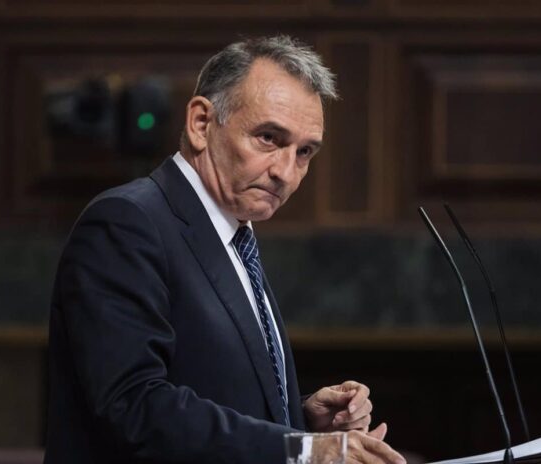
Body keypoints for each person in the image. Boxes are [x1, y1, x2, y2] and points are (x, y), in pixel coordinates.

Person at [44, 35, 406, 464]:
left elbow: (211, 390)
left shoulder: (233, 235)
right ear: (201, 123)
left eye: (304, 152)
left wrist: (302, 420)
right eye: (269, 138)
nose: (286, 173)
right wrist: (304, 450)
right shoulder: (126, 222)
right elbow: (134, 408)